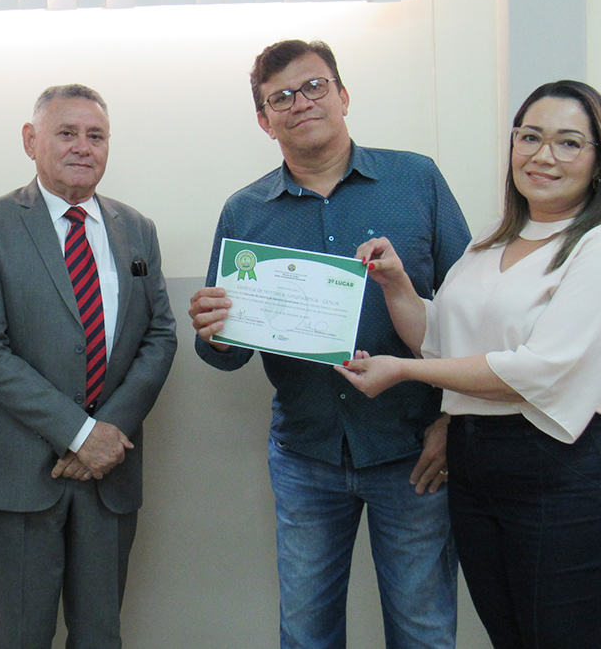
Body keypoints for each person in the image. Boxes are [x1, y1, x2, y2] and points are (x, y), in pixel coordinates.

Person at [336, 80, 601, 649]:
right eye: (529, 137)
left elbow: (536, 373)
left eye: (568, 143)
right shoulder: (491, 241)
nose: (543, 155)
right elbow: (438, 340)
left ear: (599, 161)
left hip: (570, 471)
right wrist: (396, 283)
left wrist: (402, 372)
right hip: (478, 467)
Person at [188, 39, 470, 649]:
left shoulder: (416, 180)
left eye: (314, 86)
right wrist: (212, 331)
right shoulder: (245, 212)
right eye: (281, 97)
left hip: (414, 449)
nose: (301, 103)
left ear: (343, 95)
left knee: (423, 631)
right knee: (306, 633)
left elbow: (472, 316)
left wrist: (453, 423)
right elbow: (227, 354)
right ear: (264, 121)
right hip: (306, 454)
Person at [0, 84, 177, 649]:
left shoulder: (137, 228)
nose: (83, 146)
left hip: (110, 471)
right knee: (21, 636)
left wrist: (107, 433)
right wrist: (79, 434)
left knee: (101, 634)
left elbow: (159, 335)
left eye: (96, 135)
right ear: (31, 141)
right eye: (67, 133)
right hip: (20, 474)